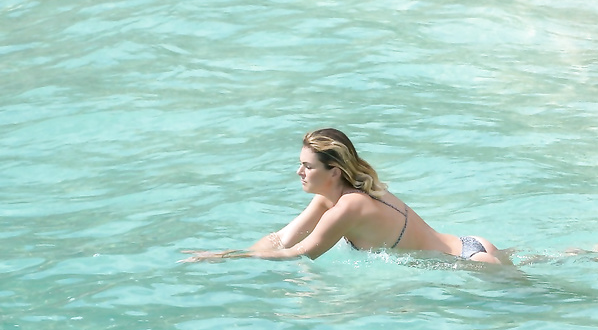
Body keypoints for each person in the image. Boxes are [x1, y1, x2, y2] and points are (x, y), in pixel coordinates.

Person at [181, 128, 511, 265]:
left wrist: (229, 259)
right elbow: (281, 239)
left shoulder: (348, 207)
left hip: (467, 266)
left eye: (308, 166)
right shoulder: (335, 197)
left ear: (334, 172)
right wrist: (232, 252)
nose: (299, 172)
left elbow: (300, 252)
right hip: (470, 246)